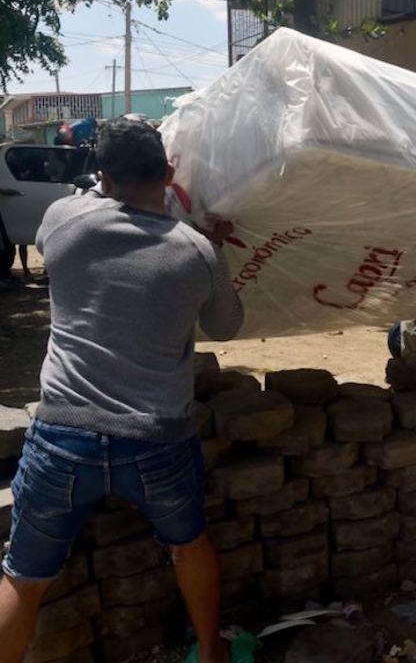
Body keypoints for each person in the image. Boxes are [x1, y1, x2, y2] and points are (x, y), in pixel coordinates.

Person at [0, 118, 242, 663]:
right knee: (188, 545)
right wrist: (214, 246)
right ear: (170, 172)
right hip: (158, 441)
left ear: (103, 177)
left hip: (63, 435)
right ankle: (209, 653)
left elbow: (99, 215)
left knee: (23, 578)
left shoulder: (62, 220)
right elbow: (226, 326)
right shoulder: (195, 252)